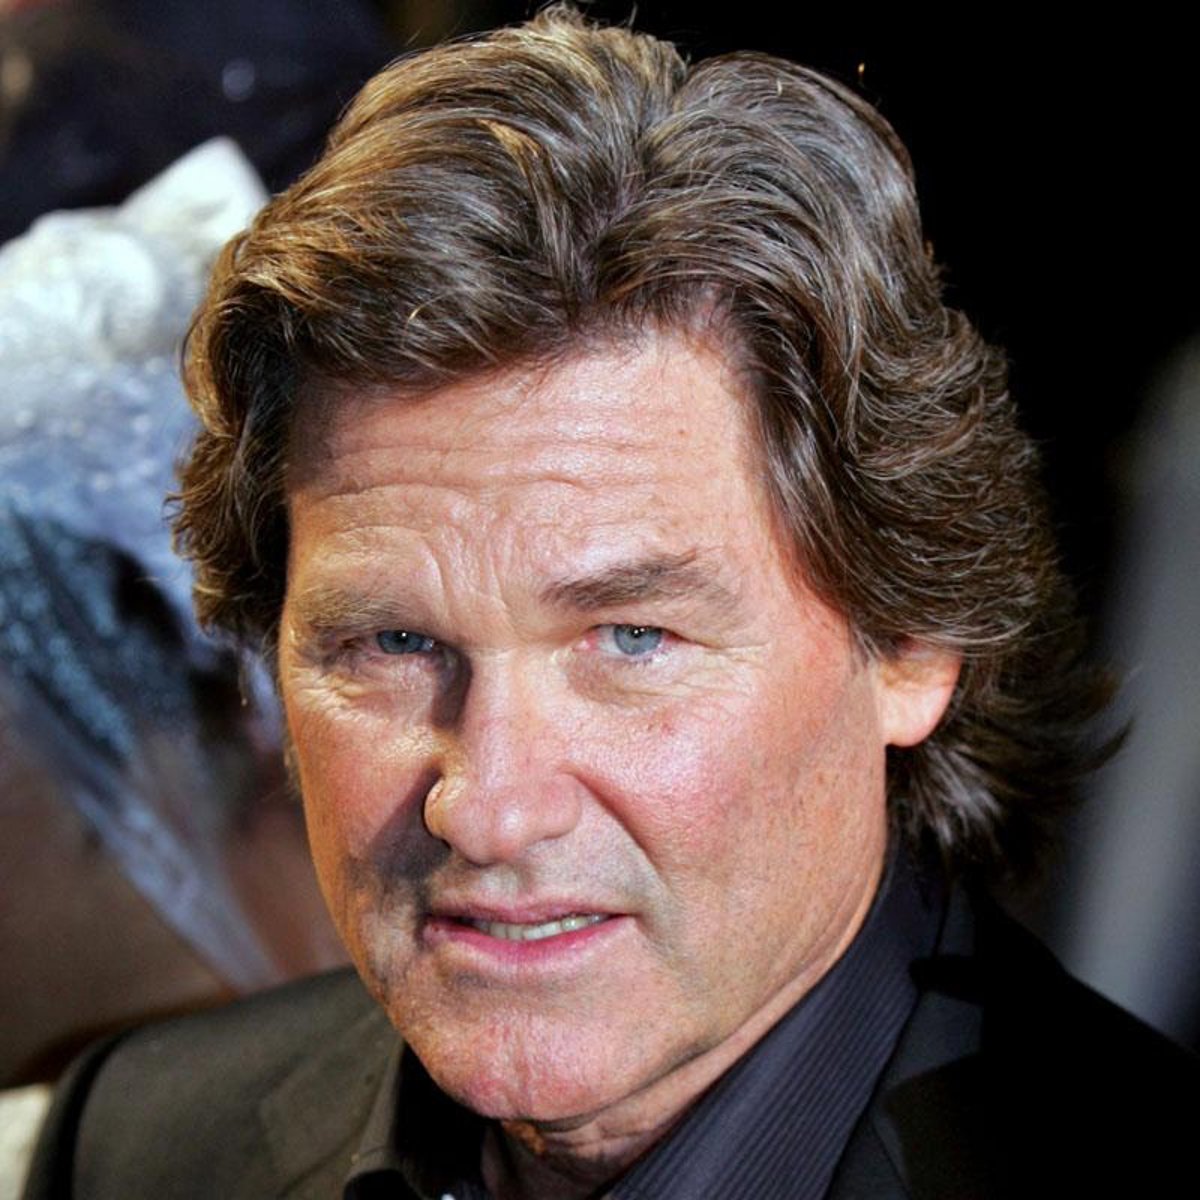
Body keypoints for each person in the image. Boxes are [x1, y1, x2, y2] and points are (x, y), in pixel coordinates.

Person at [24, 7, 1198, 1197]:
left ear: (908, 644)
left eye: (631, 639)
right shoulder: (144, 1144)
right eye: (393, 642)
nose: (489, 809)